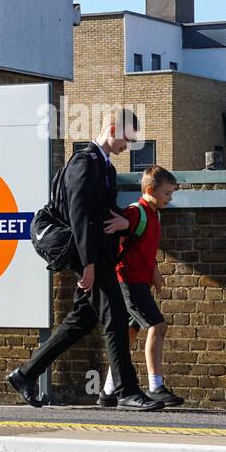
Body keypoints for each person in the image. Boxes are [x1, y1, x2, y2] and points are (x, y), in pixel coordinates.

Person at [8, 108, 162, 411]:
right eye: (127, 139)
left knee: (83, 319)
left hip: (98, 253)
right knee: (115, 317)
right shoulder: (84, 162)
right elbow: (78, 215)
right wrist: (88, 264)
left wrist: (125, 223)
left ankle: (25, 375)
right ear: (114, 129)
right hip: (88, 254)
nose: (127, 147)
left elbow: (104, 213)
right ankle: (126, 391)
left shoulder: (106, 169)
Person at [98, 166, 182, 408]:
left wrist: (154, 272)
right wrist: (121, 222)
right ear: (149, 190)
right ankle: (156, 386)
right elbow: (122, 229)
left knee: (130, 333)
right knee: (158, 326)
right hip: (129, 282)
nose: (170, 198)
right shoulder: (137, 212)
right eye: (167, 193)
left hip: (140, 282)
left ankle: (108, 391)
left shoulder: (154, 213)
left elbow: (143, 248)